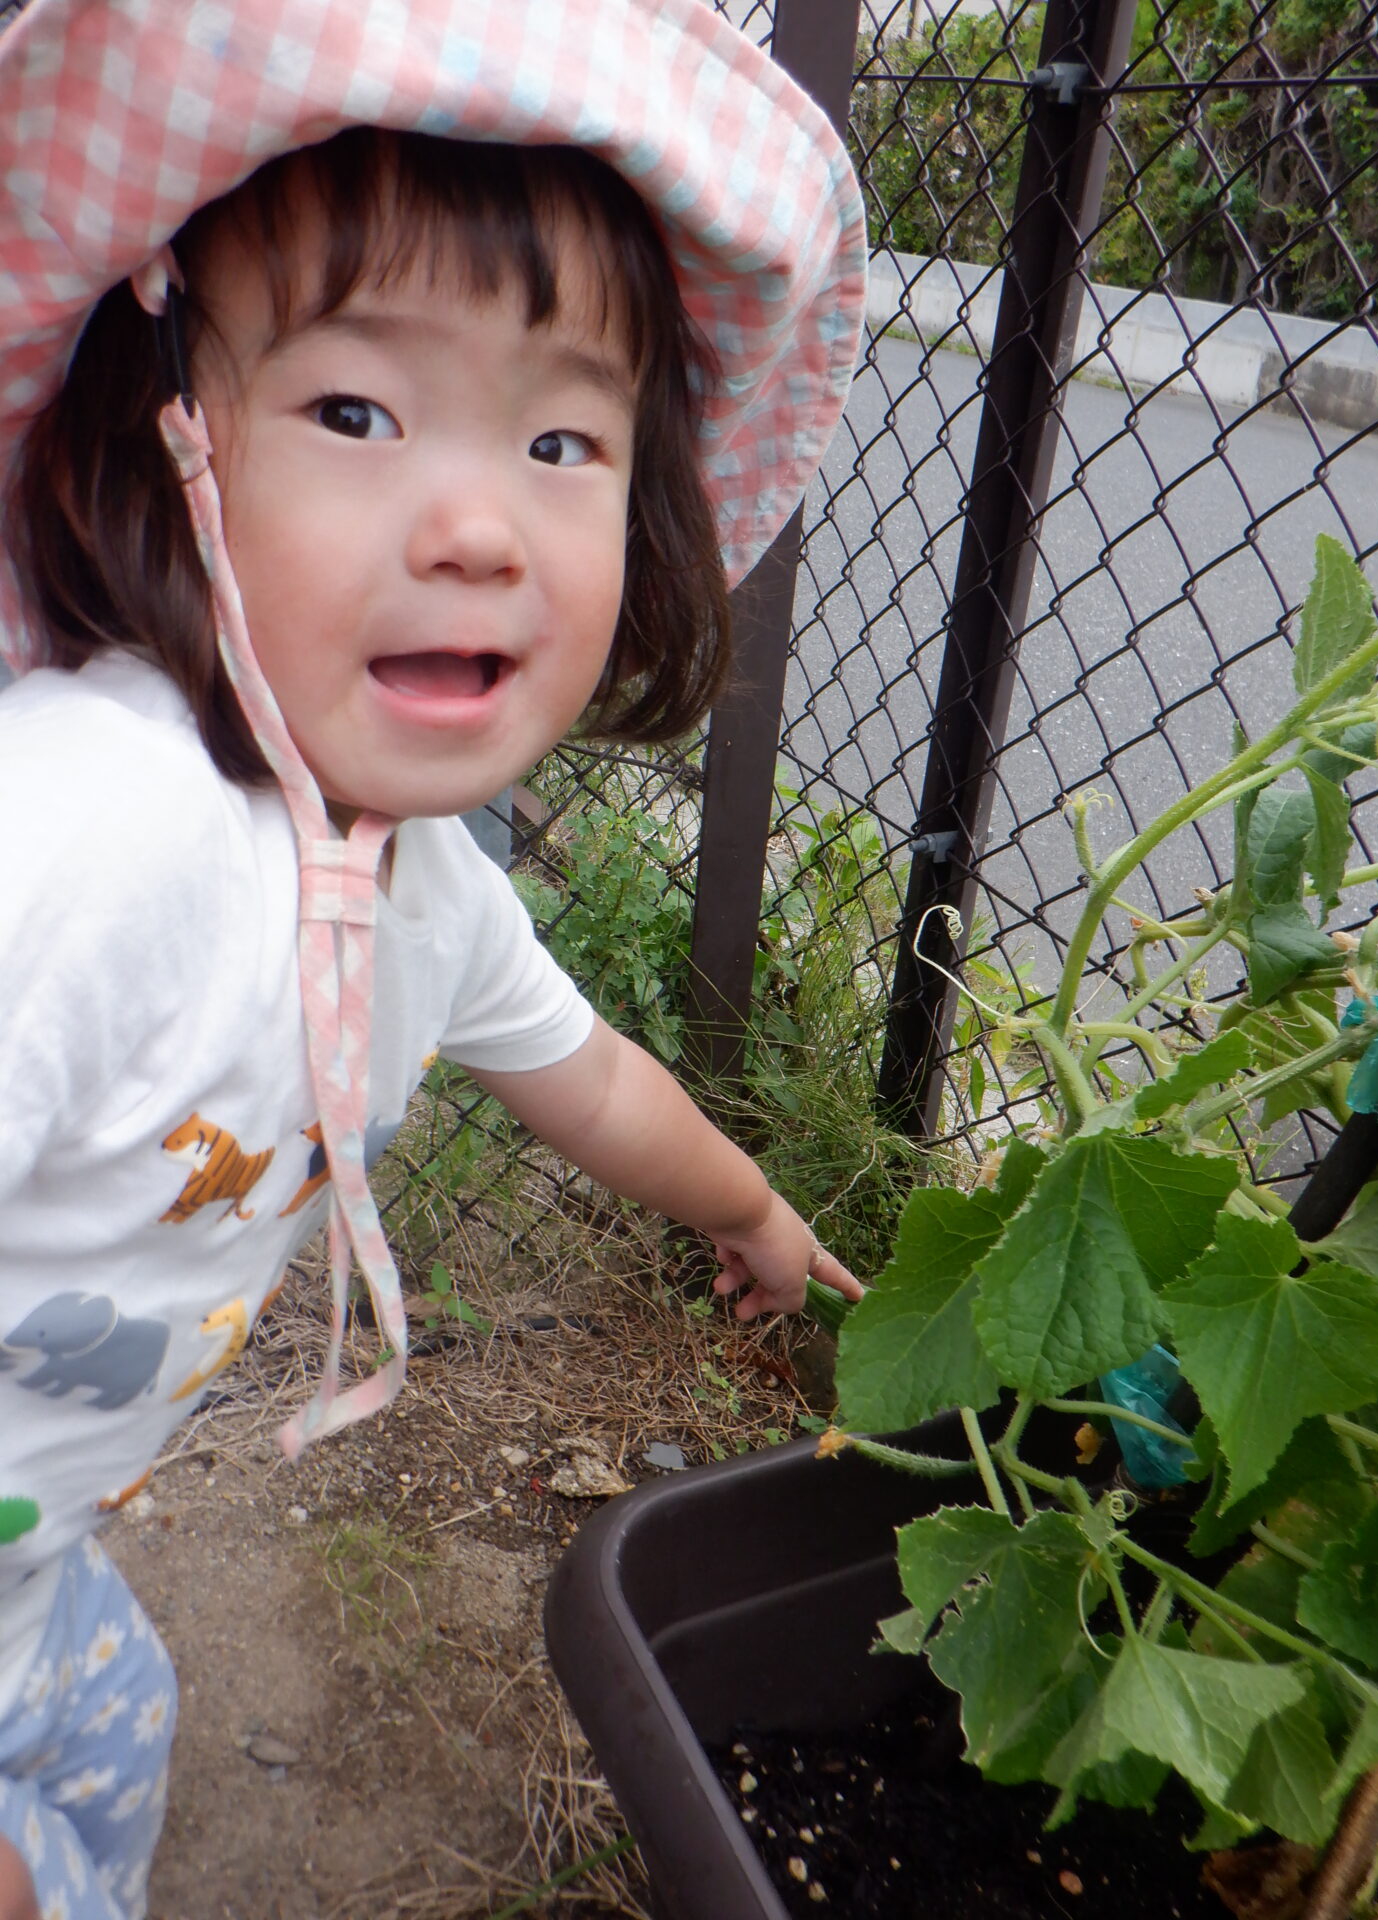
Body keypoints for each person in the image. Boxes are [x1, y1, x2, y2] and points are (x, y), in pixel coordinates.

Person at [0, 0, 869, 1913]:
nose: (479, 527)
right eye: (355, 414)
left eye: (561, 439)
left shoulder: (422, 887)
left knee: (116, 1739)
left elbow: (593, 1079)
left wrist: (750, 1214)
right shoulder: (87, 827)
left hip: (39, 1568)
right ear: (159, 450)